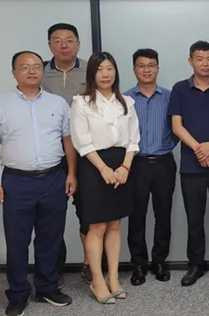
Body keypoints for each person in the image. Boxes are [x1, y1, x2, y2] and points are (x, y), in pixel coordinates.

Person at [0, 51, 76, 316]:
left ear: (43, 72)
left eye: (36, 66)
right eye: (24, 67)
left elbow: (68, 141)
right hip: (16, 182)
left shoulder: (58, 103)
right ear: (14, 73)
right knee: (17, 241)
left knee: (50, 238)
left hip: (54, 178)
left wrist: (72, 174)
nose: (31, 71)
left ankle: (47, 288)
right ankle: (18, 294)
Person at [70, 52, 140, 304]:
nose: (105, 74)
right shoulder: (81, 103)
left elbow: (133, 140)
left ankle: (114, 277)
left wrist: (125, 168)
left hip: (121, 165)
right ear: (92, 73)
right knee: (97, 226)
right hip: (93, 166)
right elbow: (82, 142)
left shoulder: (127, 102)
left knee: (114, 224)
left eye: (109, 68)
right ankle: (97, 279)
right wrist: (103, 169)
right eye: (100, 69)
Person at [169, 41, 209, 288]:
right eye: (199, 59)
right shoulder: (179, 89)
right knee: (194, 218)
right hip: (191, 166)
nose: (205, 63)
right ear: (190, 61)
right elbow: (177, 125)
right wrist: (199, 149)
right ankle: (195, 264)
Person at [123, 49, 178, 286]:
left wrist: (166, 145)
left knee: (163, 214)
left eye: (151, 65)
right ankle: (138, 264)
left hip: (164, 163)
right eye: (141, 65)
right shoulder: (124, 99)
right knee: (136, 216)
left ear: (158, 68)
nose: (147, 70)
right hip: (135, 164)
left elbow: (178, 128)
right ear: (134, 69)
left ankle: (159, 262)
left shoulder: (170, 97)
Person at [41, 23, 89, 286]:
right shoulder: (40, 73)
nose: (64, 45)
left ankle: (90, 264)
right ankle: (54, 269)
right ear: (50, 45)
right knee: (52, 215)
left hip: (86, 153)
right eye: (57, 40)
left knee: (89, 212)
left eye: (69, 40)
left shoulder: (90, 71)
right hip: (52, 155)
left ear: (78, 44)